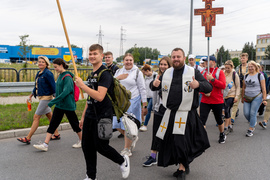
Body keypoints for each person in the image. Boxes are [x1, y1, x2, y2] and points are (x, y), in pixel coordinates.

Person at [152, 48, 212, 180]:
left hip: (186, 114)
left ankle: (182, 169)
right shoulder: (167, 73)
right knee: (172, 142)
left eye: (178, 57)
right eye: (173, 57)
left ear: (183, 58)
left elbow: (208, 87)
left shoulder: (193, 72)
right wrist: (154, 84)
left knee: (181, 142)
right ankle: (184, 162)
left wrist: (198, 84)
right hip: (170, 114)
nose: (176, 59)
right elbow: (155, 86)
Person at [75, 44, 130, 180]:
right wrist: (83, 116)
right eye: (90, 54)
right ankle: (91, 176)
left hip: (103, 116)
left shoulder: (105, 74)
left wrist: (82, 86)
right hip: (90, 115)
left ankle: (122, 161)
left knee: (101, 146)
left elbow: (99, 96)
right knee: (87, 146)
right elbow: (90, 98)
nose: (92, 56)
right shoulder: (92, 74)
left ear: (101, 55)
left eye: (95, 54)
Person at [33, 58, 82, 151]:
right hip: (60, 105)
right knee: (53, 124)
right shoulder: (60, 75)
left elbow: (66, 92)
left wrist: (53, 102)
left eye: (56, 67)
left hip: (68, 105)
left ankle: (82, 140)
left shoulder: (67, 77)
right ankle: (45, 144)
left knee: (75, 124)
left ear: (61, 65)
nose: (55, 69)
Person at [17, 56, 59, 144]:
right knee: (49, 116)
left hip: (46, 98)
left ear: (47, 64)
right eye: (39, 62)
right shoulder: (39, 73)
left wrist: (56, 98)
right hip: (41, 97)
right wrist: (31, 95)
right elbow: (36, 86)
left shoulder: (48, 73)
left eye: (42, 62)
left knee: (36, 117)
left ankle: (28, 138)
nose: (40, 63)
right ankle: (56, 134)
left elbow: (53, 86)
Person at [113, 53, 148, 156]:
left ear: (133, 61)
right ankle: (133, 137)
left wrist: (144, 105)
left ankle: (127, 149)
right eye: (126, 60)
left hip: (133, 101)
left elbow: (142, 89)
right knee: (116, 123)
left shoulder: (137, 72)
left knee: (127, 125)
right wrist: (119, 77)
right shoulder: (119, 71)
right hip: (120, 102)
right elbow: (112, 83)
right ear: (123, 61)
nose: (128, 62)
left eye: (130, 60)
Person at [143, 56, 172, 167]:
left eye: (165, 64)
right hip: (159, 108)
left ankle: (176, 157)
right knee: (156, 133)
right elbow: (152, 87)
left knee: (171, 134)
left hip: (171, 109)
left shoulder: (174, 76)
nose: (163, 66)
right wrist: (154, 84)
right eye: (161, 64)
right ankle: (153, 156)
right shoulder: (157, 76)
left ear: (169, 66)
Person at [200, 56, 227, 143]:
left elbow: (223, 85)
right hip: (205, 100)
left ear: (214, 62)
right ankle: (202, 138)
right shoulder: (203, 72)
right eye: (205, 61)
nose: (206, 62)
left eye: (208, 61)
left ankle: (222, 133)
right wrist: (204, 92)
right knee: (202, 120)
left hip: (217, 100)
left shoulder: (220, 72)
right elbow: (200, 85)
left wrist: (212, 80)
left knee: (219, 120)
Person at [242, 60, 267, 137]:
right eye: (249, 67)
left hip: (257, 96)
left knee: (253, 113)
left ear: (255, 67)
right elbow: (243, 87)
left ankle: (251, 129)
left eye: (251, 66)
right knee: (246, 113)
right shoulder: (246, 76)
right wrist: (242, 97)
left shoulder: (260, 75)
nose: (250, 68)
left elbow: (263, 88)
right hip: (247, 96)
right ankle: (253, 122)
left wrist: (264, 99)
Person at [231, 53, 249, 124]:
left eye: (244, 58)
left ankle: (250, 117)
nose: (242, 59)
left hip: (248, 88)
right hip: (239, 87)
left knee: (247, 103)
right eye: (241, 58)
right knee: (235, 102)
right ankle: (232, 118)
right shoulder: (238, 67)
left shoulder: (250, 67)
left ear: (247, 59)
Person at [223, 60, 240, 135]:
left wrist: (236, 96)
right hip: (224, 95)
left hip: (232, 94)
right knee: (227, 110)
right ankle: (230, 126)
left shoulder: (234, 74)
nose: (227, 69)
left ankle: (226, 127)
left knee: (226, 110)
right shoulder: (223, 73)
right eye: (225, 68)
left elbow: (238, 86)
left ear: (232, 67)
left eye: (228, 68)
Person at [140, 64, 158, 132]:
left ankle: (145, 125)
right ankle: (143, 122)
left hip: (153, 96)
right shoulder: (145, 78)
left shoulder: (155, 76)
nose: (145, 74)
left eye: (145, 73)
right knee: (144, 109)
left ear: (148, 71)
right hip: (147, 96)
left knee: (148, 109)